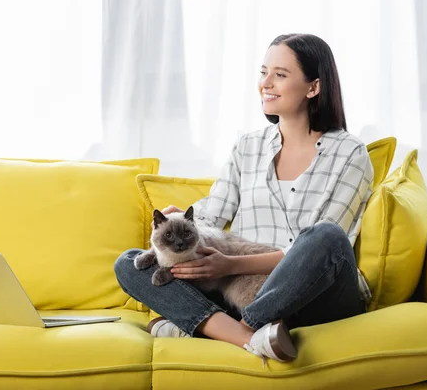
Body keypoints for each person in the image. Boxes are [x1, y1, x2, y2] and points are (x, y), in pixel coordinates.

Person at [114, 33, 374, 364]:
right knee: (130, 262)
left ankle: (224, 327)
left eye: (280, 74)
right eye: (263, 72)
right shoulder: (247, 146)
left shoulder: (350, 152)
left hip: (315, 294)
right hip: (240, 290)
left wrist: (231, 264)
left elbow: (315, 250)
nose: (265, 83)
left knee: (326, 236)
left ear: (313, 87)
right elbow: (209, 217)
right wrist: (182, 222)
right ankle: (252, 338)